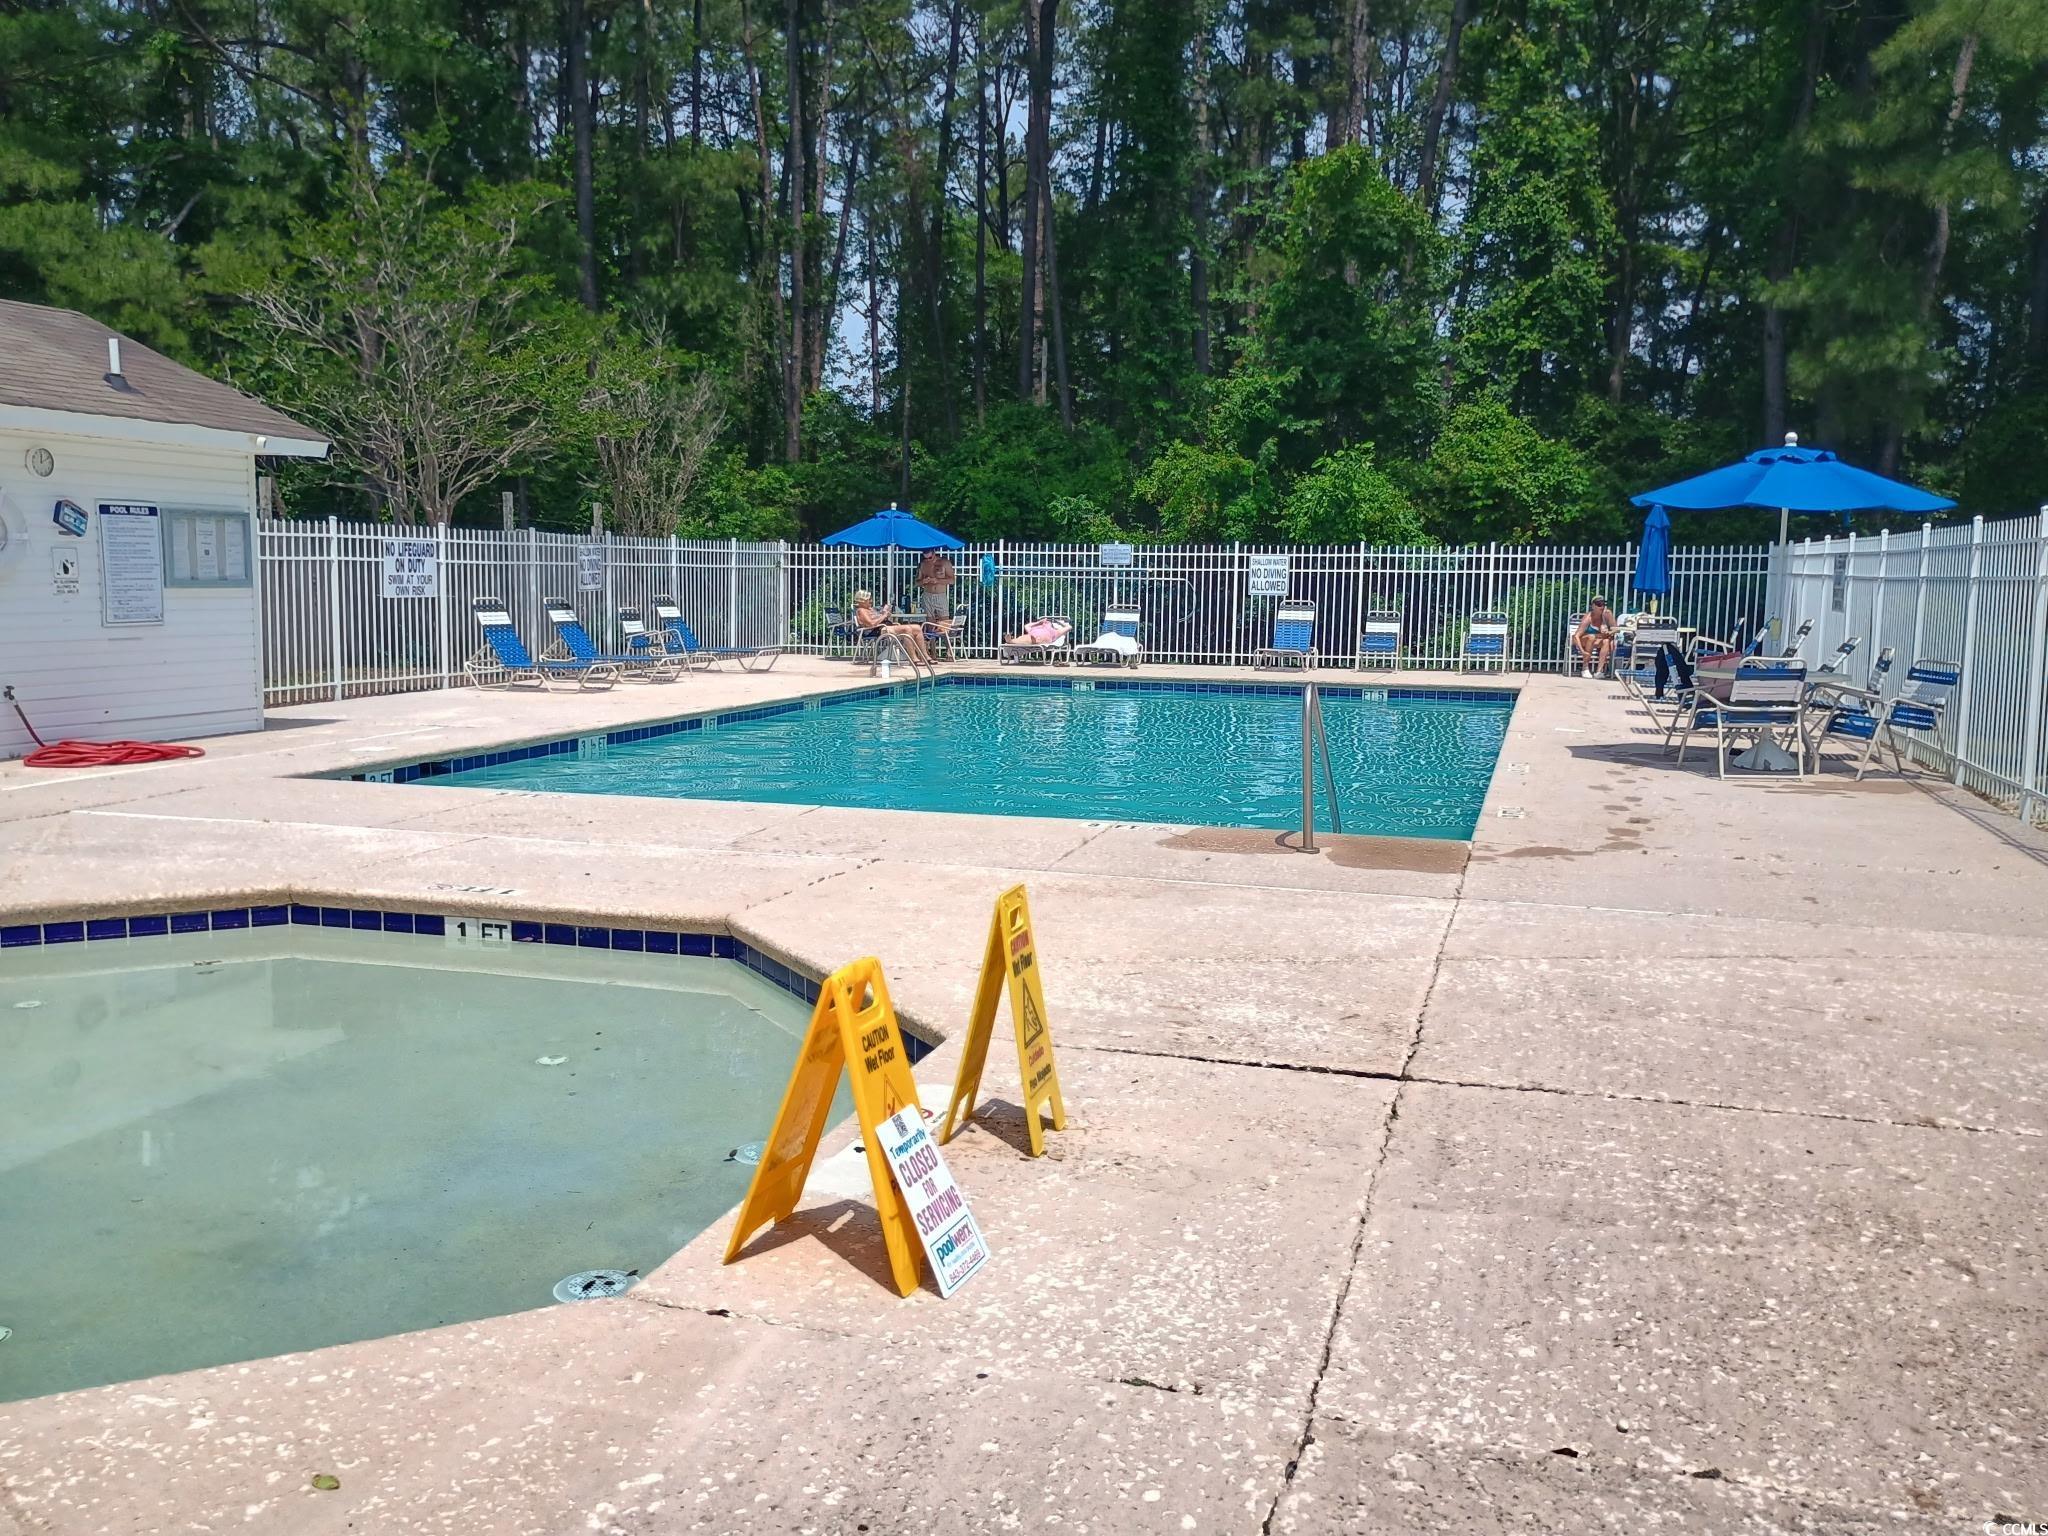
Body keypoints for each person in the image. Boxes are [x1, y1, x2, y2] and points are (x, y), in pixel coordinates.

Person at [851, 590, 935, 666]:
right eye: (869, 599)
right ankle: (913, 658)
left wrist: (885, 612)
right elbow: (871, 624)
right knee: (906, 629)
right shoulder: (861, 610)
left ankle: (925, 656)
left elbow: (878, 618)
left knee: (917, 627)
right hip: (876, 630)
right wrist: (884, 616)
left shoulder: (870, 609)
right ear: (862, 601)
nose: (871, 601)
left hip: (884, 627)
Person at [1575, 596, 1618, 678]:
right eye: (1599, 604)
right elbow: (1576, 636)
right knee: (1591, 637)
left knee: (1606, 641)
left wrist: (1608, 632)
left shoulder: (1607, 614)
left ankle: (1599, 671)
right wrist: (1582, 652)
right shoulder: (1588, 618)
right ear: (1593, 606)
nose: (1602, 607)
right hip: (1584, 640)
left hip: (1598, 640)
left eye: (1603, 604)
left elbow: (1616, 629)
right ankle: (1585, 668)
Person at [915, 550, 956, 621]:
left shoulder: (944, 563)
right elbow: (917, 583)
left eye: (930, 558)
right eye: (926, 558)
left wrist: (937, 581)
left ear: (934, 553)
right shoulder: (923, 564)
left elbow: (952, 580)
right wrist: (923, 581)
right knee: (929, 621)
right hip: (927, 595)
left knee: (944, 621)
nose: (928, 560)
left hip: (940, 594)